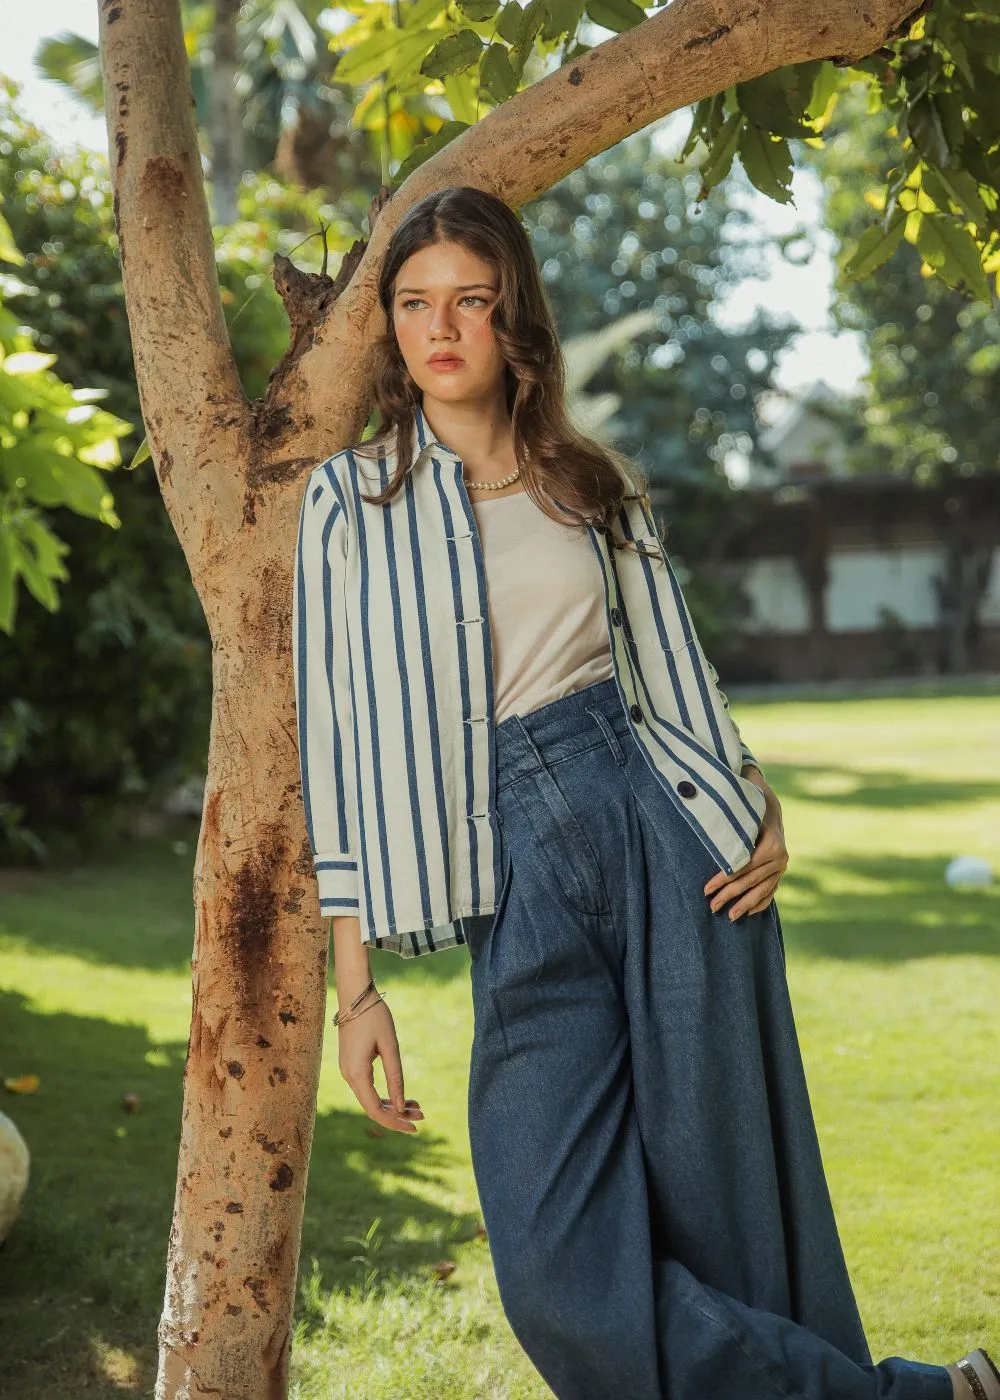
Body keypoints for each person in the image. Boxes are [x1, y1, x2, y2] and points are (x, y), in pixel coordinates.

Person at [292, 184, 997, 1400]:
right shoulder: (347, 503)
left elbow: (673, 664)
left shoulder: (588, 481)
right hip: (504, 875)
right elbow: (337, 747)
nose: (439, 327)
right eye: (414, 304)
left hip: (667, 839)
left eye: (470, 298)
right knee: (557, 1268)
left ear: (516, 318)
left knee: (729, 1211)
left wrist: (753, 795)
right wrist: (352, 987)